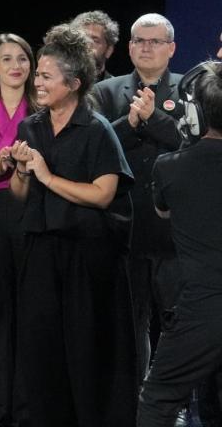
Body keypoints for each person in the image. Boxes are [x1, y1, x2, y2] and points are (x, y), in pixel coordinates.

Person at [2, 24, 136, 427]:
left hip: (87, 258)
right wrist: (23, 171)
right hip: (41, 253)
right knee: (43, 351)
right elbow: (20, 196)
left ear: (73, 84)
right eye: (38, 74)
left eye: (45, 76)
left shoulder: (96, 130)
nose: (36, 82)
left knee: (85, 352)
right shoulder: (31, 127)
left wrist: (45, 175)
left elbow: (103, 194)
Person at [91, 13, 184, 387]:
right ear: (128, 47)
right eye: (139, 41)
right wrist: (130, 124)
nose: (146, 47)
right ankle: (135, 397)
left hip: (174, 229)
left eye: (155, 41)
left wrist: (154, 118)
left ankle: (172, 397)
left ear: (172, 48)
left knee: (177, 321)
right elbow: (95, 149)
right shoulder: (106, 92)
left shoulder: (190, 88)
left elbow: (194, 145)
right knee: (131, 321)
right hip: (123, 227)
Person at [137, 63, 222, 426]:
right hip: (202, 307)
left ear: (194, 114)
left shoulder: (169, 167)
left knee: (157, 399)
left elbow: (164, 212)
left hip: (201, 309)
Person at [0, 33, 36, 427]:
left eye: (22, 58)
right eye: (7, 58)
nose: (16, 65)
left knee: (32, 310)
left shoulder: (41, 110)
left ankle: (32, 402)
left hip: (33, 210)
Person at [71, 10, 120, 82]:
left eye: (95, 41)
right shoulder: (59, 84)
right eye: (82, 39)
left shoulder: (116, 90)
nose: (87, 45)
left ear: (109, 50)